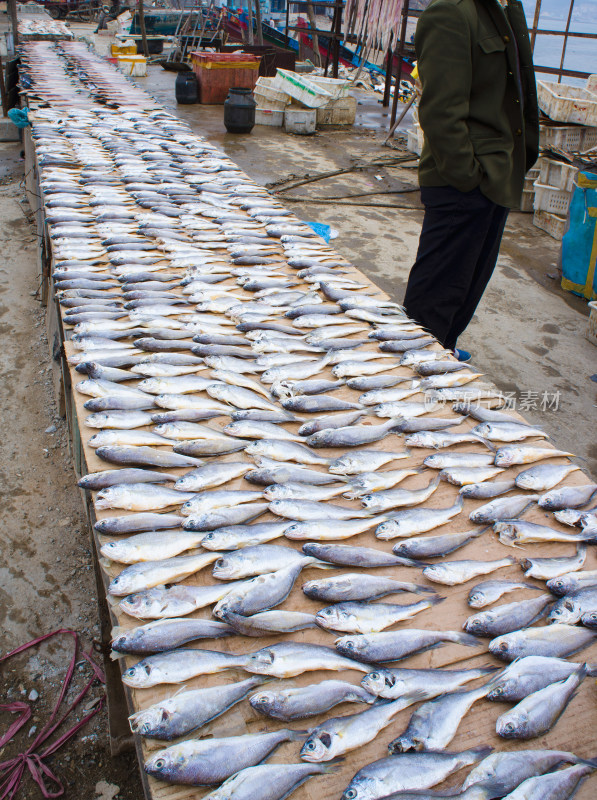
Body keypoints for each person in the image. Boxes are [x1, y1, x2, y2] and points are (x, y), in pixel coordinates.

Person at [402, 0, 539, 361]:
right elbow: (440, 111)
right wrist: (468, 175)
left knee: (468, 284)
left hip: (497, 173)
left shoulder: (504, 8)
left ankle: (441, 349)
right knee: (436, 293)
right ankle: (411, 369)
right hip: (463, 180)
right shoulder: (452, 12)